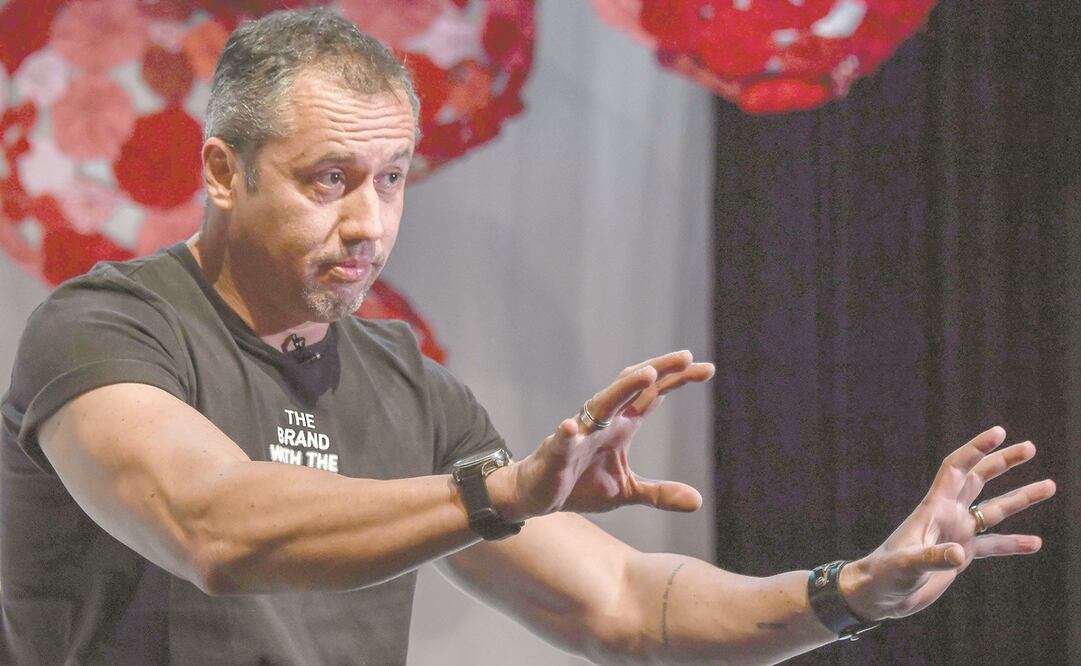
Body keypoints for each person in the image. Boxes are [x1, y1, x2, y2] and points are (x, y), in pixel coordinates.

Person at [0, 8, 1055, 665]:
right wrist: (495, 497)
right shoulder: (107, 329)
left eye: (392, 179)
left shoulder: (402, 383)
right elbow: (212, 529)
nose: (368, 222)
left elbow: (627, 608)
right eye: (328, 179)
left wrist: (847, 593)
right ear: (223, 171)